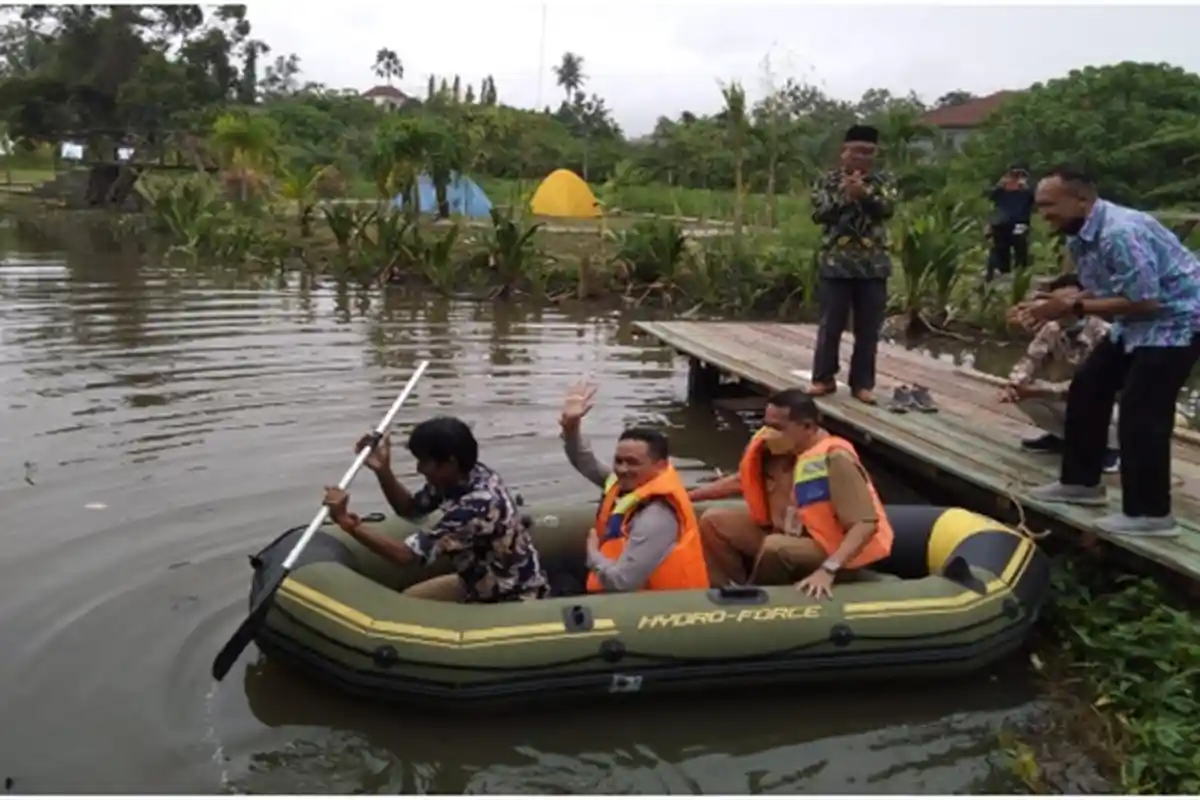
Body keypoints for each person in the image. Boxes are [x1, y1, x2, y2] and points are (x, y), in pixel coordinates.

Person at [1021, 165, 1200, 536]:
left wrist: (1070, 308)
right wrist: (1050, 303)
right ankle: (1082, 484)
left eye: (1050, 205)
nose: (1044, 215)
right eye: (1039, 206)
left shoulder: (1121, 232)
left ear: (1082, 199)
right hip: (1136, 324)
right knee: (1088, 387)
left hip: (1178, 322)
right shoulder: (1081, 235)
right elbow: (1103, 290)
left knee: (1142, 410)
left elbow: (1146, 300)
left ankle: (1151, 514)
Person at [691, 388, 894, 599]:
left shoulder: (835, 459)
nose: (768, 433)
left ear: (807, 427)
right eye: (766, 425)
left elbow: (866, 523)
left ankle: (755, 599)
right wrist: (691, 496)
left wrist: (828, 569)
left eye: (777, 427)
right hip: (788, 530)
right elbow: (742, 480)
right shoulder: (779, 449)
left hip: (828, 546)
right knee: (712, 521)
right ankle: (725, 590)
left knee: (775, 547)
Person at [321, 416, 549, 602]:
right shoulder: (463, 476)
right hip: (475, 580)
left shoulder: (477, 506)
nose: (419, 468)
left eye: (424, 461)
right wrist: (383, 472)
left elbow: (406, 556)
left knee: (413, 615)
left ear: (449, 462)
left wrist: (348, 524)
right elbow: (410, 509)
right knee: (408, 602)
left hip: (509, 595)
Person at [557, 380, 709, 594]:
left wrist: (593, 556)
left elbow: (623, 582)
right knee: (559, 567)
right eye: (618, 460)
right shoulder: (625, 484)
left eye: (633, 462)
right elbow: (584, 461)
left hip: (646, 603)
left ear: (660, 465)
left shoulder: (657, 517)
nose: (622, 468)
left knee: (562, 588)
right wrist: (571, 428)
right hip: (615, 570)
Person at [807, 124, 898, 406]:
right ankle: (823, 378)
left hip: (873, 266)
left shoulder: (883, 180)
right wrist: (845, 197)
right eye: (856, 151)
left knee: (868, 328)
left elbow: (888, 209)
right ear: (843, 152)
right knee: (830, 324)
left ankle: (862, 384)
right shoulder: (828, 180)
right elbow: (818, 214)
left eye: (868, 153)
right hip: (836, 263)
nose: (862, 158)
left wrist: (865, 196)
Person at [1000, 273, 1120, 473]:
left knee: (1099, 404)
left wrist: (1039, 390)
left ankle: (1112, 449)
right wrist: (1013, 385)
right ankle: (1062, 438)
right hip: (1070, 394)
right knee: (1023, 394)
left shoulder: (1106, 334)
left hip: (1108, 400)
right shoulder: (1052, 328)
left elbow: (1093, 385)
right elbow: (1030, 360)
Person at [985, 165, 1035, 281]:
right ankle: (1002, 272)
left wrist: (1025, 186)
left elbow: (1034, 199)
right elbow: (991, 204)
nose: (1016, 178)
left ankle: (1020, 273)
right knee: (1000, 248)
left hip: (1019, 223)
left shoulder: (1026, 193)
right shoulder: (1000, 193)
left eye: (1019, 175)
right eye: (1013, 175)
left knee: (1020, 246)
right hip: (1001, 223)